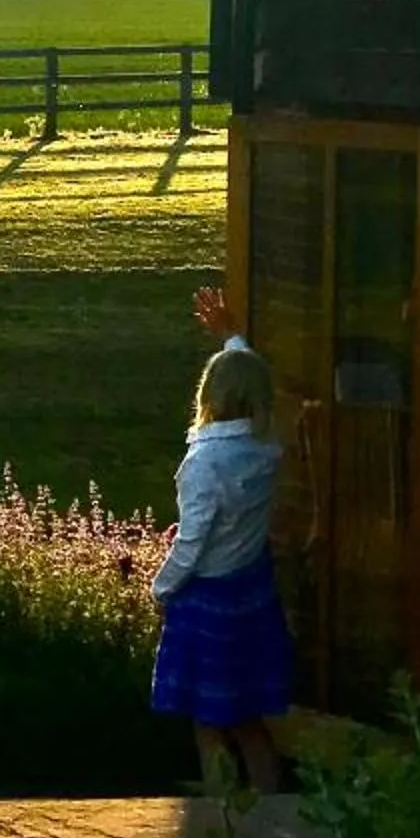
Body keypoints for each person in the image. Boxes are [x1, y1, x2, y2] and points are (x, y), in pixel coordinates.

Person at [150, 288, 293, 792]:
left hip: (207, 601)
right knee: (249, 720)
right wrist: (232, 338)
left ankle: (222, 819)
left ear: (208, 397)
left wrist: (160, 588)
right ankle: (274, 813)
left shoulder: (204, 465)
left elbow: (190, 544)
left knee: (209, 724)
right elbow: (249, 378)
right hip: (251, 592)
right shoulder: (265, 448)